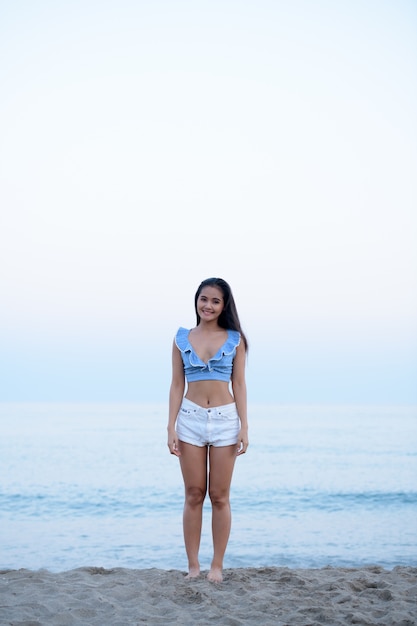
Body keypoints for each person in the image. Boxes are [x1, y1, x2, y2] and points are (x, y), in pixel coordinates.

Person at [167, 277, 249, 583]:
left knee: (219, 496)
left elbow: (239, 384)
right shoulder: (181, 338)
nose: (208, 305)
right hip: (190, 418)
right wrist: (170, 426)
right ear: (196, 301)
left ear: (224, 305)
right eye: (204, 299)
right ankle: (193, 566)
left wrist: (244, 426)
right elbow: (177, 385)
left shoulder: (235, 339)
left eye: (215, 301)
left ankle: (217, 566)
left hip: (227, 419)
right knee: (193, 494)